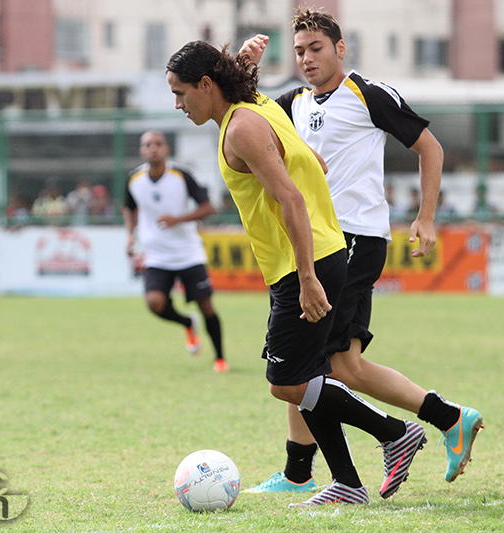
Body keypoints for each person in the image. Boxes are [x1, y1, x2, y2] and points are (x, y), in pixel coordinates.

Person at [167, 40, 427, 507]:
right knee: (309, 375)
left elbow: (290, 200)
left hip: (303, 264)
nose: (178, 104)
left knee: (285, 381)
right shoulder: (255, 105)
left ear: (207, 85)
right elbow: (239, 85)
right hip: (311, 257)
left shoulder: (241, 128)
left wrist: (306, 278)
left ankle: (395, 433)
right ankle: (347, 482)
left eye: (182, 92)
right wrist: (244, 59)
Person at [239, 7, 483, 494]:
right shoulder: (294, 102)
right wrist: (245, 65)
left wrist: (426, 216)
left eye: (317, 49)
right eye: (300, 51)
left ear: (340, 48)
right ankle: (447, 418)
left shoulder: (366, 94)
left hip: (353, 241)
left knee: (308, 362)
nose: (307, 59)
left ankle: (314, 470)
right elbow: (245, 110)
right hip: (319, 242)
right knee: (338, 366)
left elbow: (429, 148)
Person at [124, 131, 228, 373]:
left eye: (158, 144)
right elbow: (128, 208)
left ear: (166, 149)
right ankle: (187, 323)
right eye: (147, 145)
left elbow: (208, 207)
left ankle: (220, 358)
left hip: (188, 253)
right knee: (154, 303)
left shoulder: (181, 175)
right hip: (157, 256)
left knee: (206, 307)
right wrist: (130, 234)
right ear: (141, 151)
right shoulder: (134, 179)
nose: (153, 148)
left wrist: (178, 219)